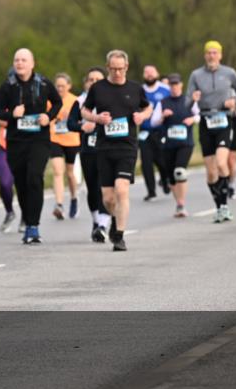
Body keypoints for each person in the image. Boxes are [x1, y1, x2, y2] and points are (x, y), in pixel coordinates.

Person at [81, 50, 151, 252]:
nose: (118, 72)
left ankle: (119, 235)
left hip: (127, 147)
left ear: (126, 67)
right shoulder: (98, 88)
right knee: (108, 199)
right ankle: (113, 219)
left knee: (122, 190)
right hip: (104, 148)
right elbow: (85, 111)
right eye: (113, 69)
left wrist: (142, 117)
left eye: (121, 69)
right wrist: (97, 119)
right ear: (108, 67)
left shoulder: (135, 88)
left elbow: (148, 107)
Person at [0, 49, 62, 244]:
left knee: (34, 177)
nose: (19, 63)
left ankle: (33, 226)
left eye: (23, 60)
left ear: (32, 63)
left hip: (39, 139)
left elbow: (57, 102)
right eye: (16, 60)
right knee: (21, 183)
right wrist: (11, 114)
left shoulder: (44, 83)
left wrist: (49, 116)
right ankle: (27, 218)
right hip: (16, 142)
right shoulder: (8, 86)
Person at [188, 40, 236, 224]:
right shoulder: (196, 75)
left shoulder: (229, 73)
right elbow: (187, 101)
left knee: (222, 163)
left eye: (215, 53)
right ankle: (220, 206)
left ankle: (224, 205)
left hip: (223, 120)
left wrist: (233, 100)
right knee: (211, 172)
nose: (211, 56)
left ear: (220, 55)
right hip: (205, 121)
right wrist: (193, 99)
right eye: (208, 53)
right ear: (204, 55)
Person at [67, 66, 112, 242]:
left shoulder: (111, 98)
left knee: (105, 186)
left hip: (108, 149)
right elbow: (70, 123)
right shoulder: (80, 102)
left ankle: (103, 224)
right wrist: (82, 127)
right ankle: (96, 222)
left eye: (97, 80)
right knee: (92, 188)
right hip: (88, 150)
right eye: (90, 80)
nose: (94, 83)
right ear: (85, 83)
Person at [150, 74, 199, 218]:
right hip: (168, 144)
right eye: (171, 84)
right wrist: (163, 116)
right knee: (171, 178)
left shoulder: (189, 101)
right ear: (169, 86)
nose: (174, 87)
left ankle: (182, 204)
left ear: (181, 85)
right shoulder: (163, 102)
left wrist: (192, 119)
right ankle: (178, 203)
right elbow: (153, 122)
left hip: (185, 143)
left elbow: (200, 115)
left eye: (176, 84)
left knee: (180, 171)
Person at [49, 73, 81, 220]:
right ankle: (59, 204)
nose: (60, 88)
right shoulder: (50, 101)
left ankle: (74, 197)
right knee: (57, 170)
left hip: (72, 140)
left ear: (69, 86)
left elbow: (81, 120)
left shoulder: (75, 100)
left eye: (63, 86)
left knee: (69, 173)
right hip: (55, 138)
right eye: (57, 86)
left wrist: (71, 117)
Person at [139, 65, 171, 201]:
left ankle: (165, 179)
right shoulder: (139, 90)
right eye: (146, 73)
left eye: (152, 72)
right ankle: (151, 191)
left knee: (162, 161)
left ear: (157, 74)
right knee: (146, 162)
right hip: (145, 132)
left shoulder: (165, 90)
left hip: (161, 131)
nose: (149, 75)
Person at [0, 100, 16, 233]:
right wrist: (13, 122)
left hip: (26, 148)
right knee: (5, 184)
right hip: (5, 148)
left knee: (26, 184)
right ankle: (9, 211)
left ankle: (27, 217)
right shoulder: (5, 96)